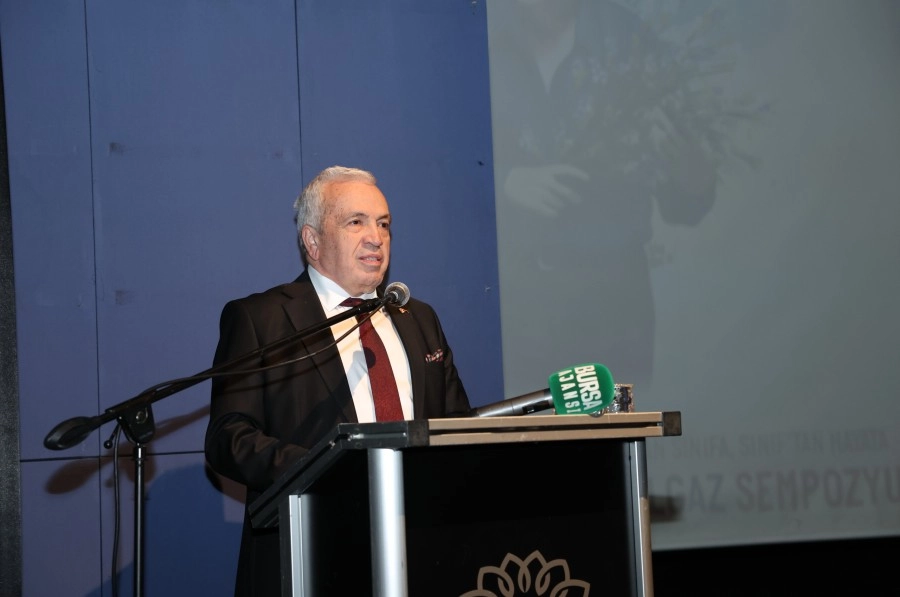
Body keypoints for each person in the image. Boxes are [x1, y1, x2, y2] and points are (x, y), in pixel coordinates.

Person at [204, 165, 471, 596]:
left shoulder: (418, 318)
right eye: (356, 222)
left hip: (421, 550)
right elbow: (229, 438)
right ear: (312, 241)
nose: (376, 237)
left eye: (383, 223)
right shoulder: (262, 320)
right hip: (311, 551)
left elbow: (455, 425)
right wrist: (329, 471)